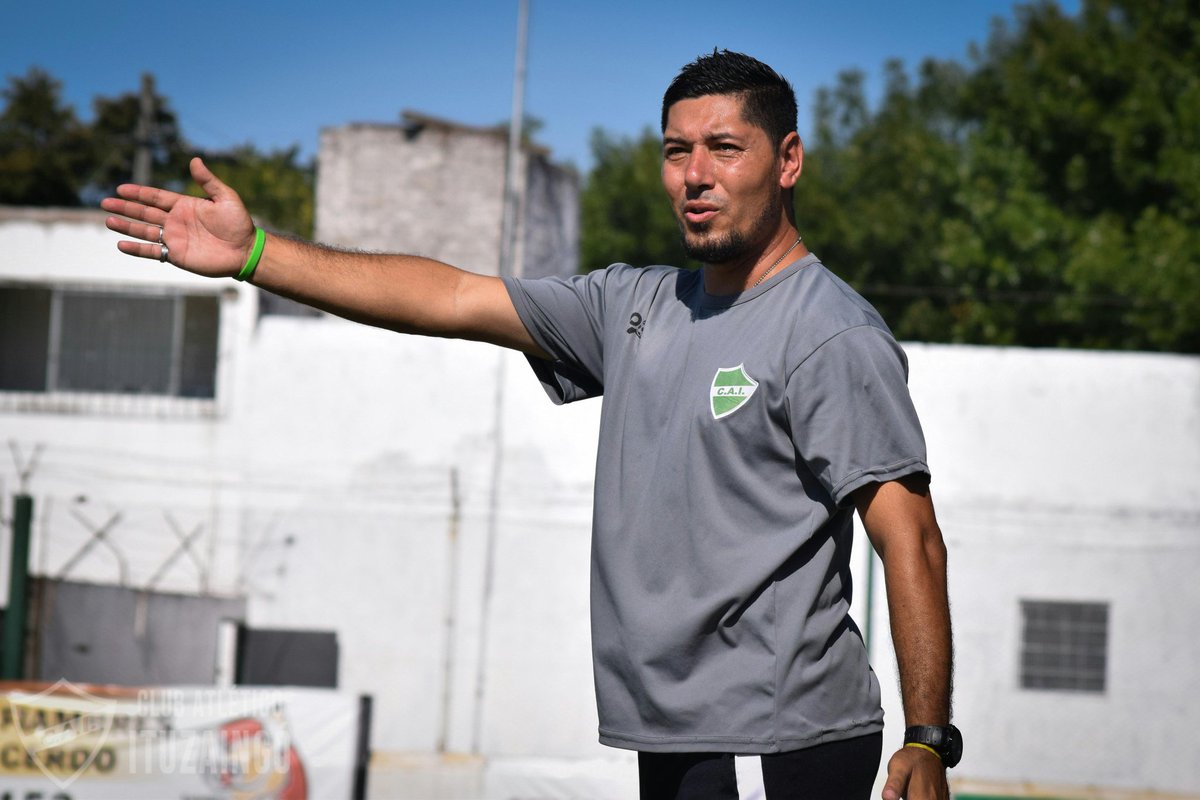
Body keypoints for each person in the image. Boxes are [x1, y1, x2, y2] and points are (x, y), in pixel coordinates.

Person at [102, 50, 955, 800]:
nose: (695, 174)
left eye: (724, 148)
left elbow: (909, 537)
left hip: (776, 737)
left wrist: (926, 737)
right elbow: (451, 297)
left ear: (788, 160)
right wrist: (256, 254)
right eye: (676, 151)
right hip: (678, 734)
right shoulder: (635, 306)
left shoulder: (827, 331)